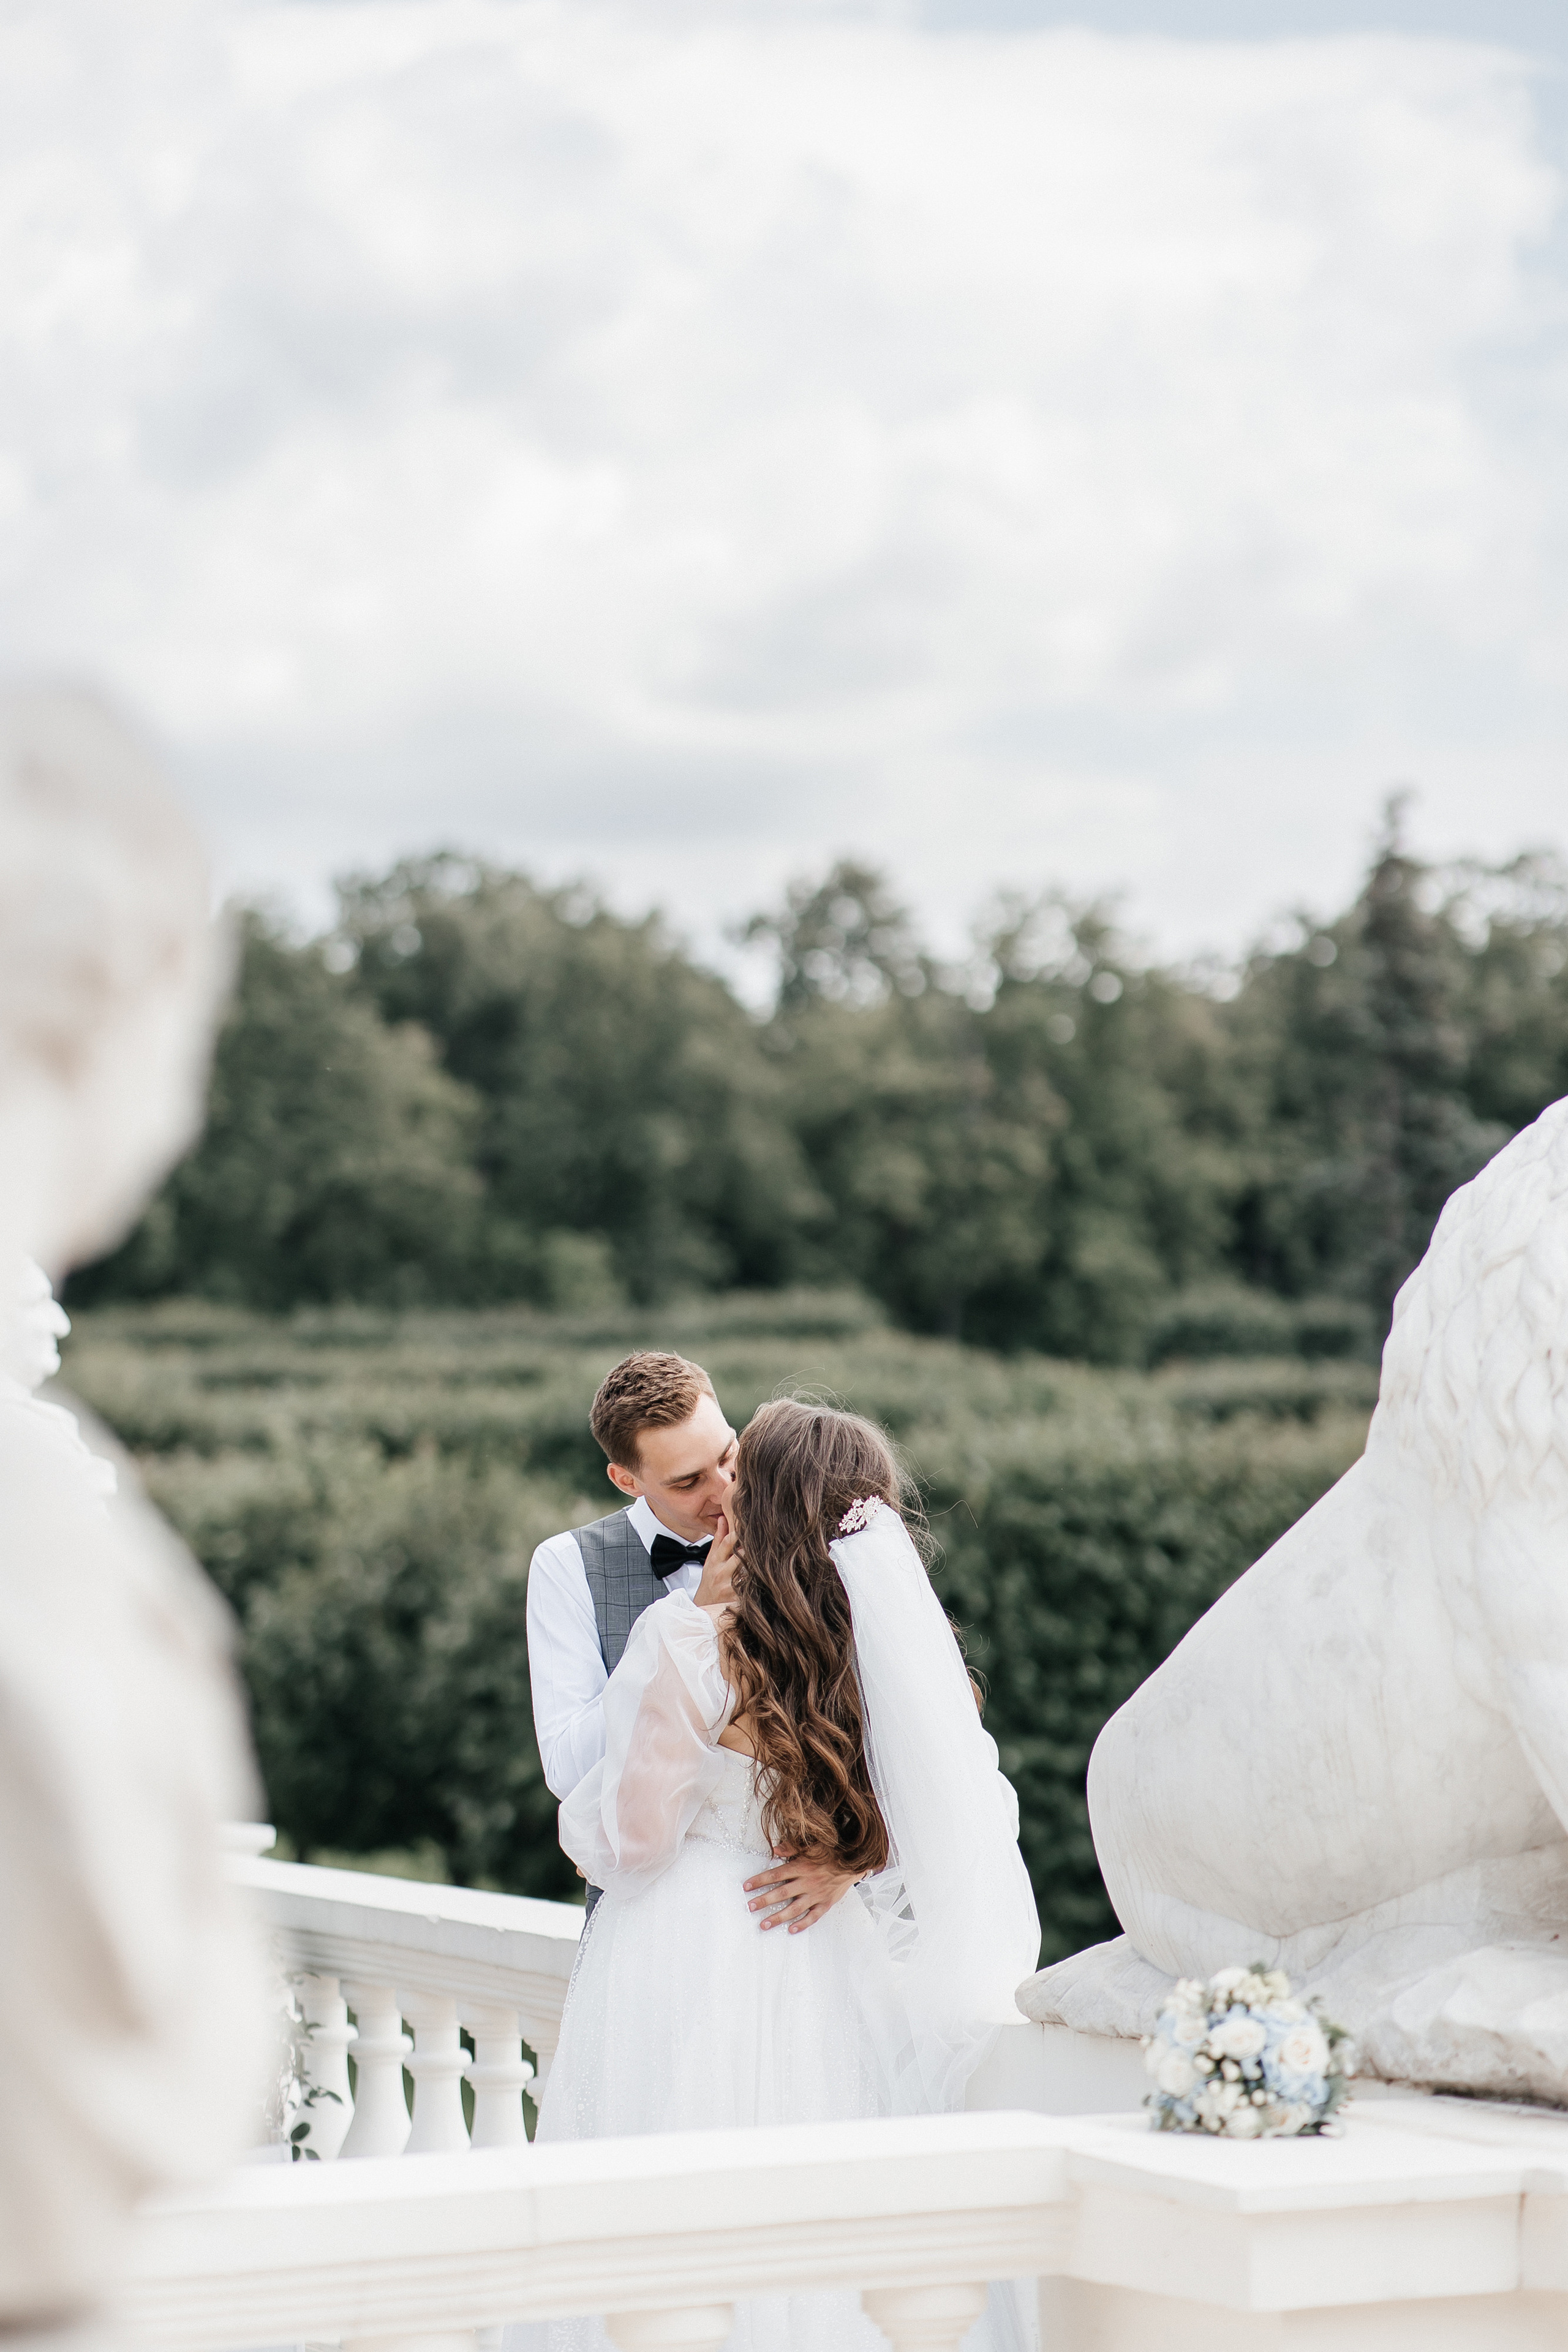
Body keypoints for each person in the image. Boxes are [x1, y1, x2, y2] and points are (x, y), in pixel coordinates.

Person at [532, 1397, 1041, 2352]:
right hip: (825, 1948)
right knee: (830, 2211)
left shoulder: (695, 1639)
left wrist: (683, 1636)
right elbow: (951, 1803)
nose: (723, 1487)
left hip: (689, 1944)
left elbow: (633, 1841)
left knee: (674, 2223)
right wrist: (852, 1860)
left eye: (738, 1467)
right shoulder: (875, 1648)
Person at [527, 1352, 858, 1931]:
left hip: (807, 1921)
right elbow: (569, 1770)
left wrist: (855, 1862)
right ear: (627, 1481)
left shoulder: (809, 1535)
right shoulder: (567, 1565)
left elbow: (891, 1725)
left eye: (728, 1457)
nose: (725, 1491)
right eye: (687, 1482)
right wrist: (691, 1626)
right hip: (649, 1927)